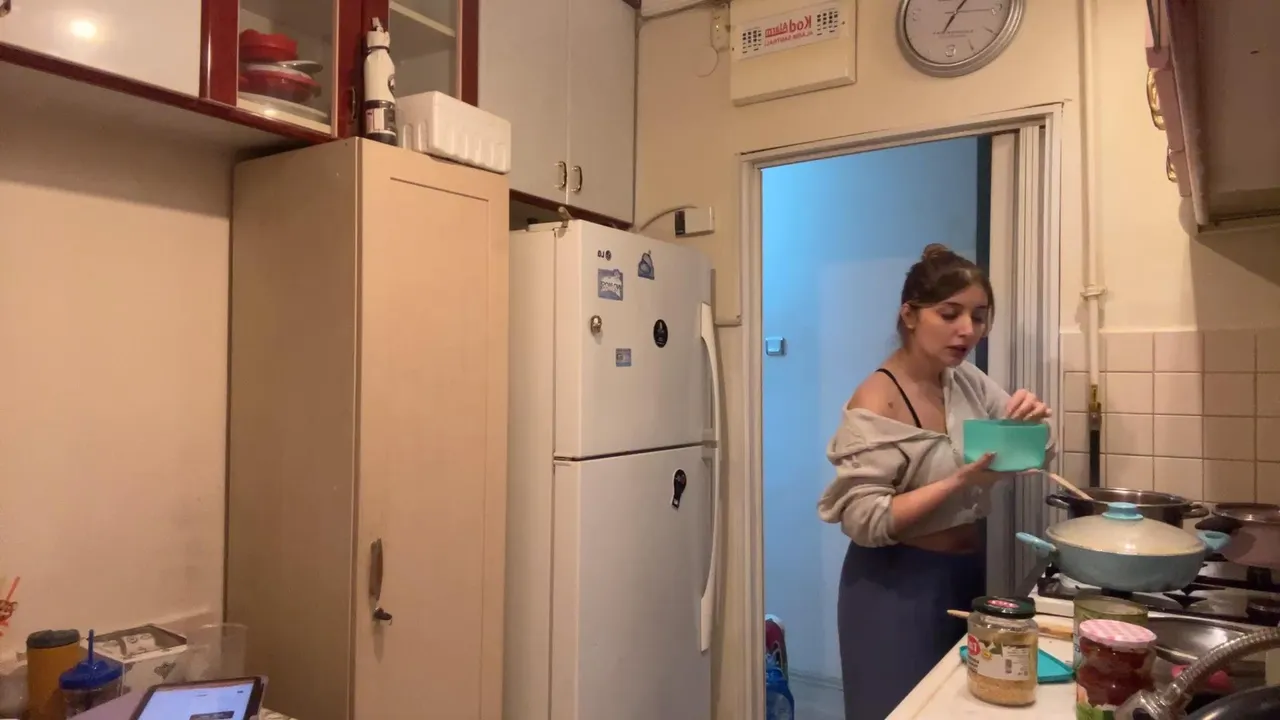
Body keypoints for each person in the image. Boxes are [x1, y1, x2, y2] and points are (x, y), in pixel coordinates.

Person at [817, 243, 1053, 720]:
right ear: (909, 315)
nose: (968, 330)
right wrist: (962, 480)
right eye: (950, 314)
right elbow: (863, 519)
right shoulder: (877, 400)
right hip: (894, 588)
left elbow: (1038, 452)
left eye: (979, 317)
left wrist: (1034, 425)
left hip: (965, 576)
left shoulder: (965, 380)